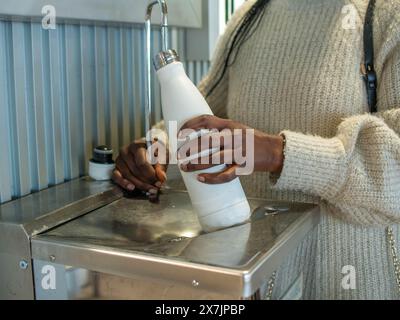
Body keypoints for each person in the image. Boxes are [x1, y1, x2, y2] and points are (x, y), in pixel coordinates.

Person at [112, 0, 400, 299]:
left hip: (355, 283)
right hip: (257, 284)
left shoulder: (387, 15)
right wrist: (156, 150)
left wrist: (280, 154)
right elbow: (200, 122)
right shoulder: (250, 17)